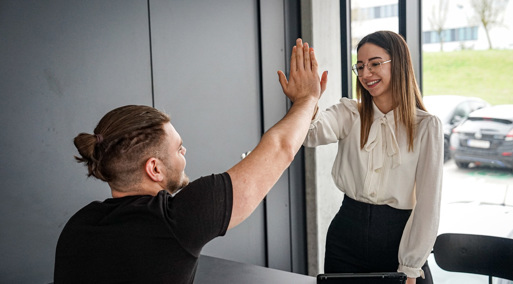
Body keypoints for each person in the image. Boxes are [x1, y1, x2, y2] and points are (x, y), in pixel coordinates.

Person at [54, 38, 328, 284]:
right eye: (178, 148)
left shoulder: (79, 224)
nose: (185, 152)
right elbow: (280, 148)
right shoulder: (173, 221)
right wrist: (307, 98)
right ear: (154, 168)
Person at [304, 30, 443, 284]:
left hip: (400, 241)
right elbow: (310, 134)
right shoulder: (349, 113)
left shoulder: (426, 126)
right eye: (360, 66)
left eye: (375, 64)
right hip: (345, 237)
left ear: (398, 64)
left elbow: (428, 205)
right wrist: (308, 99)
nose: (366, 73)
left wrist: (410, 267)